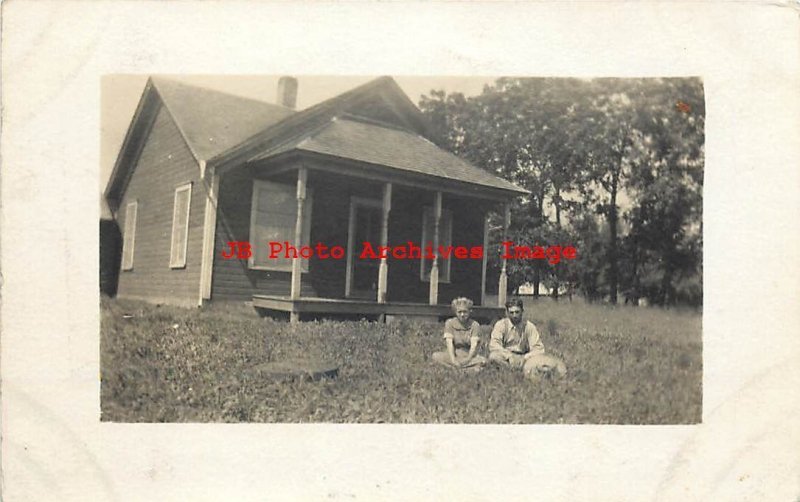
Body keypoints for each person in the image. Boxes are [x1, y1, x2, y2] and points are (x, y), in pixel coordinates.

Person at [489, 298, 567, 380]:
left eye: (517, 312)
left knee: (541, 363)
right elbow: (494, 345)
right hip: (506, 358)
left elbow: (538, 348)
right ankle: (510, 373)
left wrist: (525, 357)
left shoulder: (529, 326)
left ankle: (527, 373)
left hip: (525, 358)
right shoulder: (501, 325)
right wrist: (509, 356)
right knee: (493, 356)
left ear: (522, 311)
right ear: (507, 313)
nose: (514, 315)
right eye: (511, 312)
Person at [432, 297, 487, 370]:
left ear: (469, 311)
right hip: (454, 354)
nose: (462, 315)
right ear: (455, 312)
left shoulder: (474, 325)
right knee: (435, 356)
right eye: (459, 312)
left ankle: (456, 368)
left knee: (483, 361)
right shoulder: (450, 323)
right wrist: (453, 360)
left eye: (465, 312)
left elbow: (474, 347)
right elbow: (449, 344)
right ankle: (465, 369)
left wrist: (467, 360)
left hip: (469, 355)